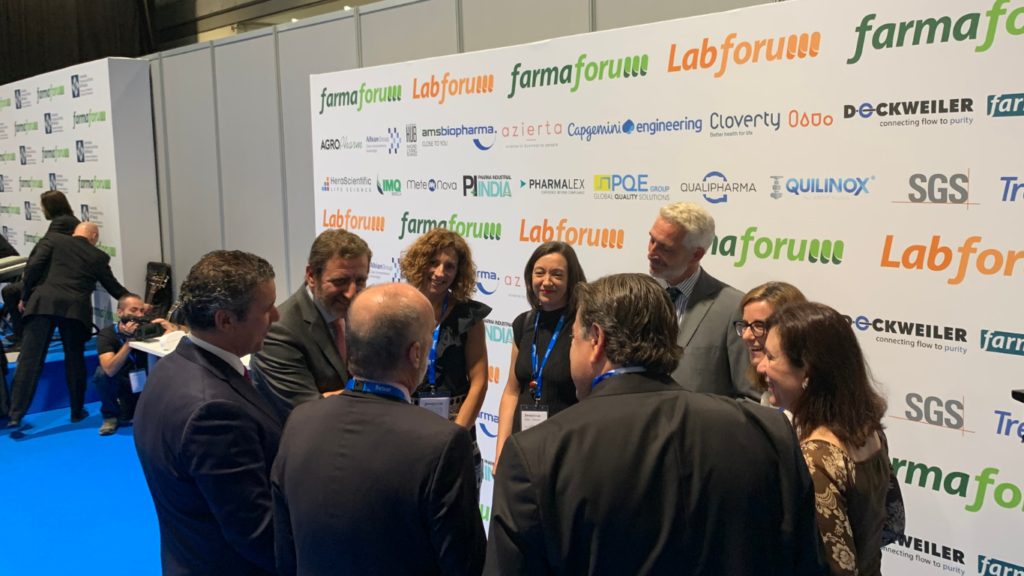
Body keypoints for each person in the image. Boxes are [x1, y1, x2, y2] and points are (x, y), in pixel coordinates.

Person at [485, 273, 827, 575]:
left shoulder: (535, 454)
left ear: (597, 341)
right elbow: (805, 562)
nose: (570, 350)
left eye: (573, 339)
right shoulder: (768, 430)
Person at [272, 283, 486, 576]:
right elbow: (465, 565)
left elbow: (285, 554)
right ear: (416, 354)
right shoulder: (443, 443)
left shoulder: (300, 421)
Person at [133, 251, 282, 576]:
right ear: (225, 321)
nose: (277, 315)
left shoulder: (168, 368)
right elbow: (257, 534)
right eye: (266, 308)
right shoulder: (215, 413)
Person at [759, 302, 904, 576]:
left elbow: (836, 567)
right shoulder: (870, 432)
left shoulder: (816, 460)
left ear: (806, 372)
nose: (761, 366)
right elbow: (893, 525)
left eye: (771, 357)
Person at [6, 222, 128, 429]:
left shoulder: (52, 240)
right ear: (94, 237)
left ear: (74, 233)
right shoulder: (97, 256)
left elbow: (33, 268)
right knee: (75, 360)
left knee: (29, 360)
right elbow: (112, 286)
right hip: (75, 310)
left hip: (43, 304)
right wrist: (134, 302)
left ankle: (15, 414)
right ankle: (76, 411)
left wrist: (25, 297)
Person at [251, 229, 371, 421]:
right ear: (312, 276)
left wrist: (330, 396)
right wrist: (374, 394)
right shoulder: (279, 331)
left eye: (360, 281)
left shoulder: (361, 314)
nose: (351, 293)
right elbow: (307, 411)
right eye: (340, 281)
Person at [400, 228, 489, 485]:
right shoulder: (399, 308)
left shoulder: (468, 316)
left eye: (449, 266)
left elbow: (480, 382)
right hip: (408, 431)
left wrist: (455, 436)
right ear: (420, 262)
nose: (440, 273)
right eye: (433, 262)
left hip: (458, 429)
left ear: (458, 272)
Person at [648, 202, 755, 399]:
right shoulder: (639, 296)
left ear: (696, 255)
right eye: (652, 240)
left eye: (665, 248)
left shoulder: (733, 308)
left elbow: (751, 397)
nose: (651, 252)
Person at [494, 241, 586, 470]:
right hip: (522, 449)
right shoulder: (523, 323)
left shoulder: (583, 325)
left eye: (557, 274)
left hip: (565, 455)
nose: (546, 281)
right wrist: (501, 452)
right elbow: (511, 391)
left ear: (571, 280)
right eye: (539, 273)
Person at [2, 189, 80, 349]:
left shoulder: (61, 224)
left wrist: (27, 286)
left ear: (51, 207)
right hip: (58, 277)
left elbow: (42, 255)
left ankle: (22, 338)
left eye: (43, 206)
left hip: (56, 281)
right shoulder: (68, 221)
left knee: (10, 292)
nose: (42, 210)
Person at [94, 293, 162, 436]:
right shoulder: (107, 335)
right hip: (123, 381)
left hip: (146, 380)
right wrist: (129, 342)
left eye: (142, 311)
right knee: (101, 374)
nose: (139, 315)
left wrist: (172, 327)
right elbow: (109, 369)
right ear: (120, 313)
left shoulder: (149, 328)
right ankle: (110, 416)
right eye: (133, 310)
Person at [737, 282, 807, 408]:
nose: (746, 335)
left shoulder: (815, 405)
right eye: (745, 325)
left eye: (759, 326)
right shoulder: (768, 396)